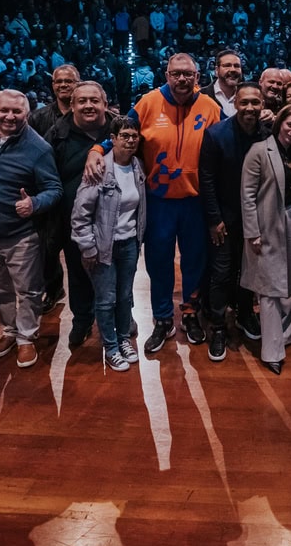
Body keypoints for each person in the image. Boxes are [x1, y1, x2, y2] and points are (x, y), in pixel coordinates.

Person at [91, 53, 221, 353]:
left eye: (188, 74)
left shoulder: (210, 106)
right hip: (158, 201)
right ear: (167, 75)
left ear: (197, 76)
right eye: (176, 74)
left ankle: (190, 313)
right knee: (158, 262)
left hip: (195, 201)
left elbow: (227, 137)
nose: (182, 79)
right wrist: (97, 149)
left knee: (194, 261)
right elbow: (121, 132)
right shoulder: (148, 103)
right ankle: (163, 318)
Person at [0, 90, 62, 369]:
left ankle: (26, 338)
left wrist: (34, 203)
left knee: (28, 290)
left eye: (17, 111)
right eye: (4, 110)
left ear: (27, 113)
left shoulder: (38, 148)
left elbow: (54, 189)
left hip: (21, 234)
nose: (10, 116)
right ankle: (9, 331)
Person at [240, 105, 291, 375]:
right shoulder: (259, 151)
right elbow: (247, 195)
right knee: (269, 288)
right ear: (279, 123)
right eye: (289, 125)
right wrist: (252, 232)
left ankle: (287, 334)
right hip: (267, 225)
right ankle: (271, 351)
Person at [198, 82, 270, 361]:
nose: (250, 107)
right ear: (235, 104)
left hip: (256, 219)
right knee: (222, 273)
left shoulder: (267, 135)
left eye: (255, 102)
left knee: (249, 270)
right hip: (224, 220)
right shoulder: (216, 134)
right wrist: (214, 219)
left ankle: (244, 314)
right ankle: (218, 326)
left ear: (262, 104)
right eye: (244, 102)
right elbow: (206, 180)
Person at [45, 81, 119, 348]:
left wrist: (98, 149)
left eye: (94, 100)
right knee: (78, 272)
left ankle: (120, 317)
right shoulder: (57, 134)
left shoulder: (119, 128)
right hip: (74, 221)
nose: (89, 105)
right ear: (72, 105)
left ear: (105, 104)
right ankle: (83, 319)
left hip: (116, 220)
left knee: (118, 272)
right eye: (82, 101)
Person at [71, 115, 146, 372]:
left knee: (125, 297)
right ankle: (111, 347)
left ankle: (124, 339)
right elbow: (80, 214)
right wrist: (87, 247)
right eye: (124, 136)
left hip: (129, 245)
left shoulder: (137, 166)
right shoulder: (99, 168)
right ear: (112, 139)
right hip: (103, 247)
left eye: (134, 136)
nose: (130, 140)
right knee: (106, 300)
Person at [30, 65, 81, 310]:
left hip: (79, 191)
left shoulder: (88, 113)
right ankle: (54, 289)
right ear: (53, 85)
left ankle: (85, 301)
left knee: (79, 251)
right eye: (58, 81)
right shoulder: (38, 117)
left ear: (77, 83)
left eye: (68, 81)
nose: (63, 85)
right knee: (46, 249)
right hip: (47, 191)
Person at [200, 49, 243, 118]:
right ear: (217, 70)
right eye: (227, 65)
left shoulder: (248, 96)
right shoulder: (201, 96)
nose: (233, 69)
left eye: (237, 66)